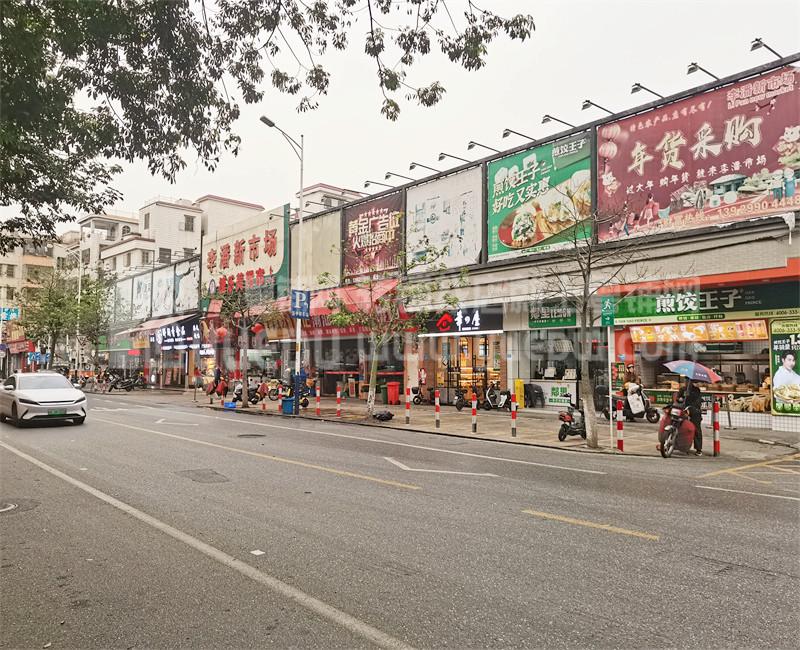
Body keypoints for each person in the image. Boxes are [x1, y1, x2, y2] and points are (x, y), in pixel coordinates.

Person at [677, 378, 703, 456]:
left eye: (689, 381)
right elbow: (678, 398)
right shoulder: (682, 389)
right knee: (681, 427)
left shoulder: (696, 390)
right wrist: (680, 399)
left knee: (696, 429)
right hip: (684, 411)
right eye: (686, 381)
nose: (687, 382)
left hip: (694, 411)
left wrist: (691, 408)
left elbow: (697, 401)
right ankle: (682, 446)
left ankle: (698, 449)